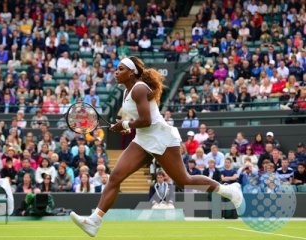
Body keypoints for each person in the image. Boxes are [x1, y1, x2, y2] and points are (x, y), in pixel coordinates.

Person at [70, 56, 244, 237]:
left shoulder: (138, 89)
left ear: (131, 73)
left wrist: (126, 125)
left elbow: (146, 120)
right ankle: (94, 221)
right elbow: (137, 121)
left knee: (184, 181)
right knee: (115, 177)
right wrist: (124, 125)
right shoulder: (126, 92)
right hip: (143, 140)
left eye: (121, 69)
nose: (116, 72)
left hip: (162, 138)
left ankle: (230, 191)